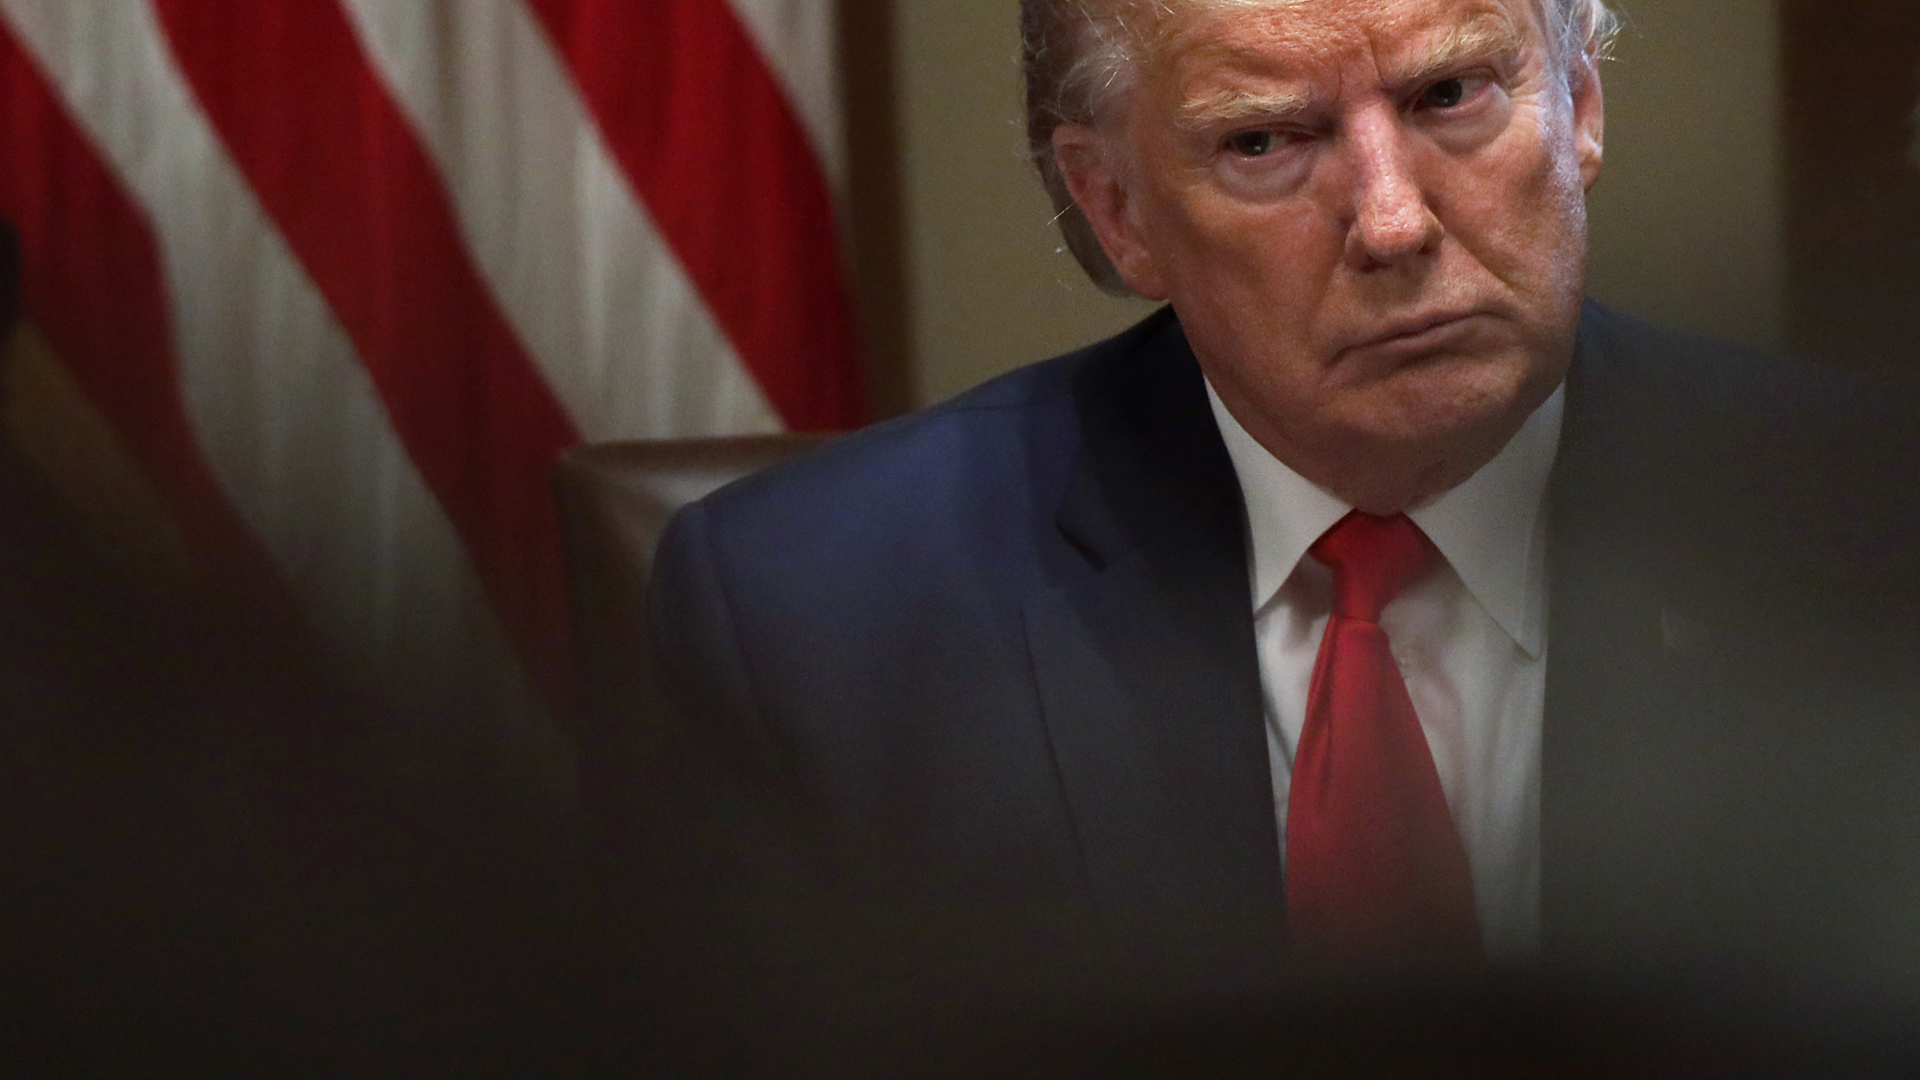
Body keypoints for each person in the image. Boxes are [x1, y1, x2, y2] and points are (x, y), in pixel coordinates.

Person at [643, 0, 1920, 1066]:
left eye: (1452, 96)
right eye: (1263, 142)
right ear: (1118, 210)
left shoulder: (1868, 537)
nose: (1394, 223)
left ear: (1579, 103)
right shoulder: (812, 622)